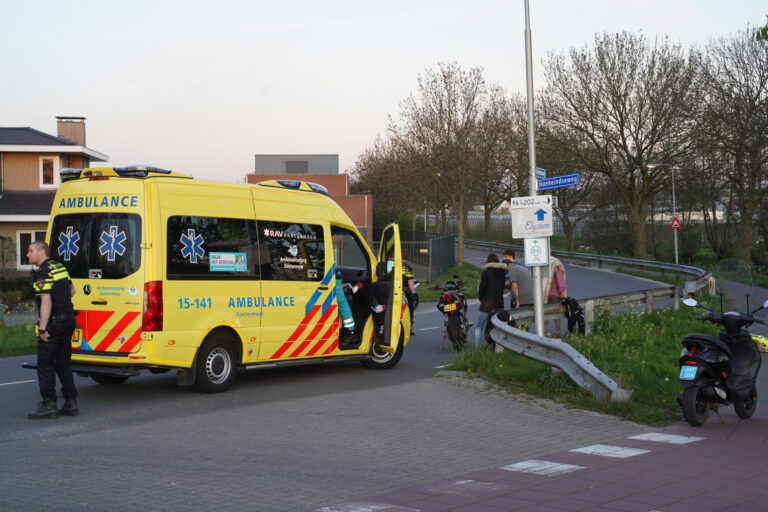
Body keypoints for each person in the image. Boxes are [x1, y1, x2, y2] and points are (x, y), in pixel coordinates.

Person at [26, 241, 78, 419]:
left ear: (41, 252)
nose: (27, 254)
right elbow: (72, 291)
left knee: (45, 364)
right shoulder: (59, 267)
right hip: (68, 321)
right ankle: (71, 403)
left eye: (30, 251)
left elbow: (46, 302)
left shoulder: (42, 272)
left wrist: (42, 330)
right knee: (63, 363)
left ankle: (49, 404)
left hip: (53, 324)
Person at [474, 253, 507, 348]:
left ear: (488, 261)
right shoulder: (502, 273)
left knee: (479, 326)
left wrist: (481, 299)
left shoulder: (486, 272)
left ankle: (477, 347)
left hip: (487, 303)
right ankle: (497, 347)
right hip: (499, 303)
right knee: (497, 326)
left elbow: (482, 288)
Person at [543, 256, 567, 337]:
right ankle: (558, 332)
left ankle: (544, 332)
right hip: (554, 294)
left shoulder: (543, 264)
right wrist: (563, 293)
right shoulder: (556, 264)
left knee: (545, 313)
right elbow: (561, 281)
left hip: (544, 294)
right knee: (556, 314)